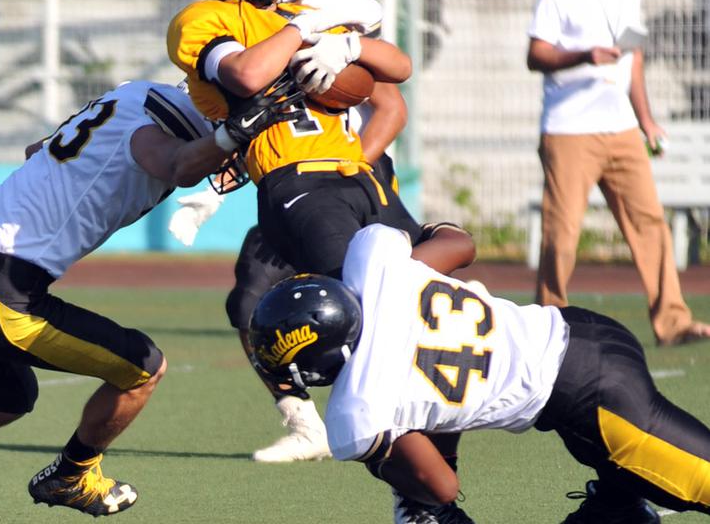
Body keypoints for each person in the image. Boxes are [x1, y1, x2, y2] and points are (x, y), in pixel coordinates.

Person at [0, 78, 301, 523]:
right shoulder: (159, 128)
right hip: (1, 289)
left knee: (7, 399)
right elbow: (174, 162)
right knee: (141, 367)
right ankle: (71, 476)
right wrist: (227, 139)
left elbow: (37, 150)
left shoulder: (132, 97)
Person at [248, 223, 710, 524]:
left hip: (595, 397)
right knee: (614, 508)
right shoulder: (371, 262)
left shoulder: (357, 410)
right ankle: (620, 503)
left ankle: (623, 498)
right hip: (576, 327)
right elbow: (460, 242)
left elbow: (442, 486)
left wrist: (409, 488)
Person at [168, 0, 415, 466]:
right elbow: (246, 81)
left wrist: (342, 167)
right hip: (289, 184)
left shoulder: (325, 16)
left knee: (384, 297)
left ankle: (404, 418)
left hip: (347, 180)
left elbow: (391, 101)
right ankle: (304, 423)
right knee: (250, 303)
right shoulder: (210, 22)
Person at [168, 0, 421, 280]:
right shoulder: (208, 18)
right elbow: (249, 82)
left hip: (359, 174)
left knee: (398, 284)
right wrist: (301, 31)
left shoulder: (319, 17)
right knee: (335, 289)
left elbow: (397, 86)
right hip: (294, 178)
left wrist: (347, 45)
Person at [526, 0, 710, 346]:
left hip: (622, 128)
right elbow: (536, 54)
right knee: (561, 234)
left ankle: (673, 323)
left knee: (651, 224)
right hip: (569, 129)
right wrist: (583, 55)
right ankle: (547, 324)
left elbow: (634, 56)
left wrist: (646, 121)